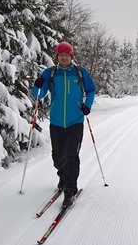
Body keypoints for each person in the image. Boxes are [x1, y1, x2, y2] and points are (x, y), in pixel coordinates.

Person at [33, 42, 96, 207]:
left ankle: (70, 189)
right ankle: (63, 176)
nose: (64, 57)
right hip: (56, 122)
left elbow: (91, 90)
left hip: (75, 121)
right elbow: (38, 95)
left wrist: (87, 106)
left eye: (67, 55)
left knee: (70, 156)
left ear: (71, 56)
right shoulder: (51, 73)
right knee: (57, 156)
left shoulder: (80, 73)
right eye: (61, 55)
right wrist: (37, 85)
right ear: (57, 57)